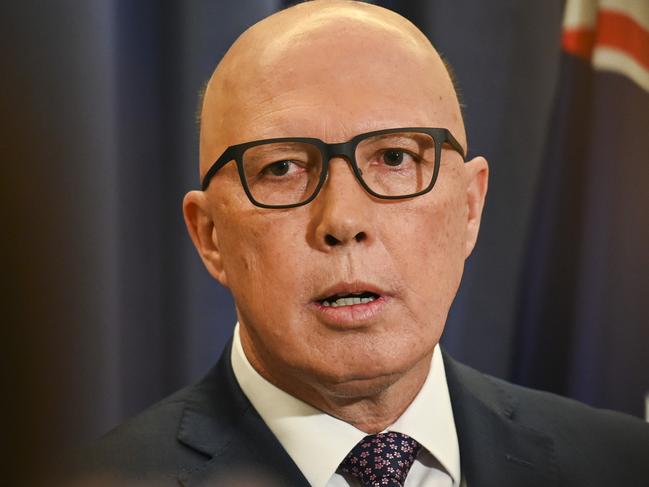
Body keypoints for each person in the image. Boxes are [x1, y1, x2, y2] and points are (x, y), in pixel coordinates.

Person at [77, 1, 649, 486]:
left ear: (469, 208)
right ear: (210, 237)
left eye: (396, 158)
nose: (344, 220)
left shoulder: (623, 463)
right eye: (282, 168)